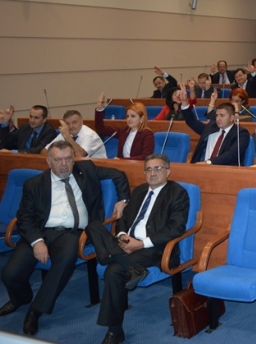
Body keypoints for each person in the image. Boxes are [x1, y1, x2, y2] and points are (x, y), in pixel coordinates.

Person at [0, 141, 130, 336]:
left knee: (66, 258)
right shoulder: (34, 184)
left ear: (73, 159)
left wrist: (123, 201)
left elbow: (119, 174)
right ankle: (22, 298)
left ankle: (36, 310)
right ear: (49, 161)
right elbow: (25, 218)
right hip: (41, 232)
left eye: (68, 159)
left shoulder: (86, 169)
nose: (64, 164)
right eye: (58, 160)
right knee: (10, 274)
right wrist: (37, 241)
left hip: (73, 233)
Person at [85, 153, 188, 344]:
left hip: (153, 248)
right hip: (127, 242)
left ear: (168, 171)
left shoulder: (177, 193)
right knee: (92, 226)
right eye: (148, 169)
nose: (152, 173)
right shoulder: (140, 190)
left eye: (157, 168)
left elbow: (176, 228)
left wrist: (140, 244)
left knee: (113, 271)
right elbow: (124, 219)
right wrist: (122, 236)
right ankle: (127, 262)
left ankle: (115, 331)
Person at [175, 88, 250, 165]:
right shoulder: (211, 126)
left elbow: (232, 154)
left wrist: (209, 162)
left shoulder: (240, 133)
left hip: (223, 169)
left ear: (232, 118)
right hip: (199, 167)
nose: (218, 119)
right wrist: (184, 102)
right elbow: (191, 121)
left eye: (222, 116)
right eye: (217, 115)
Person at [94, 94, 155, 159]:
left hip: (135, 165)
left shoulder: (147, 134)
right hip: (121, 164)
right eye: (127, 116)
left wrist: (122, 160)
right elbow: (100, 128)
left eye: (133, 116)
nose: (129, 119)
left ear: (141, 118)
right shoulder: (124, 130)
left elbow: (146, 157)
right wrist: (99, 109)